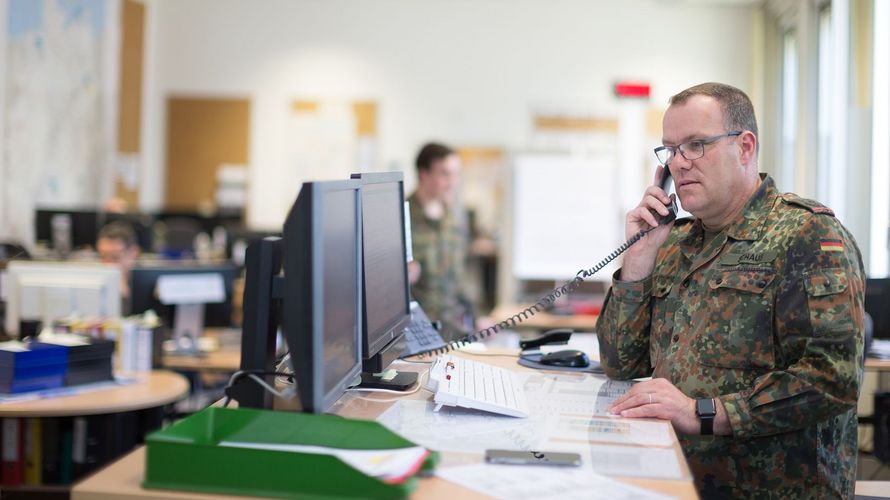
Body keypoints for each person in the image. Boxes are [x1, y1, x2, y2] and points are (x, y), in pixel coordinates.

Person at [596, 82, 864, 498]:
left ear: (745, 147)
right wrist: (638, 259)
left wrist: (704, 413)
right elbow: (619, 363)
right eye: (670, 149)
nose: (679, 163)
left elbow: (832, 378)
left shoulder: (808, 235)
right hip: (675, 479)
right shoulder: (674, 242)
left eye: (696, 145)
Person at [407, 142, 474, 334]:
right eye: (445, 174)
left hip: (454, 328)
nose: (453, 182)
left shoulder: (456, 218)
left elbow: (461, 277)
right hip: (416, 330)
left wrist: (478, 316)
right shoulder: (401, 217)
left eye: (456, 174)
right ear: (423, 174)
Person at [96, 221, 141, 306]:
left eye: (115, 257)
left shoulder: (146, 284)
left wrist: (124, 296)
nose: (108, 264)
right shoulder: (93, 281)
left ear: (134, 253)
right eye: (103, 257)